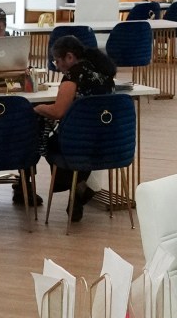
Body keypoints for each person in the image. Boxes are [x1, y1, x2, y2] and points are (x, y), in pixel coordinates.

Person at [31, 34, 115, 221]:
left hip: (79, 142)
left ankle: (77, 187)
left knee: (45, 140)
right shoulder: (103, 71)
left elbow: (58, 111)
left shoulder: (74, 75)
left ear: (69, 57)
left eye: (57, 61)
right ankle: (79, 188)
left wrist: (39, 108)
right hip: (108, 140)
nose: (57, 67)